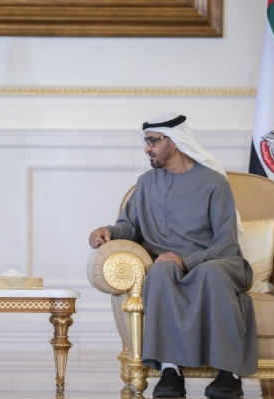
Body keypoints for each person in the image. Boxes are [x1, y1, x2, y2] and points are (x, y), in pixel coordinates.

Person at [88, 113, 257, 398]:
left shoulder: (214, 183)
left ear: (174, 142)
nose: (146, 149)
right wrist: (109, 230)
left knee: (209, 273)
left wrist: (186, 260)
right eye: (146, 142)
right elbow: (130, 225)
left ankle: (229, 373)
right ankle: (169, 370)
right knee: (160, 271)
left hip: (215, 260)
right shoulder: (146, 182)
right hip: (168, 264)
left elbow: (226, 243)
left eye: (152, 141)